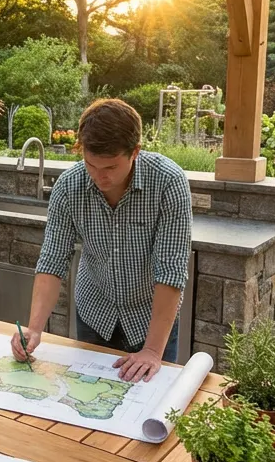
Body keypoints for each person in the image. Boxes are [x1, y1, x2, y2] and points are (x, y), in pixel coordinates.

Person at [10, 99, 192, 382]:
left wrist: (153, 351)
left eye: (110, 167)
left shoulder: (169, 182)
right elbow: (52, 260)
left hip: (151, 321)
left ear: (135, 152)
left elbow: (170, 271)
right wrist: (34, 328)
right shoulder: (69, 186)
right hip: (95, 313)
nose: (99, 176)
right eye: (90, 164)